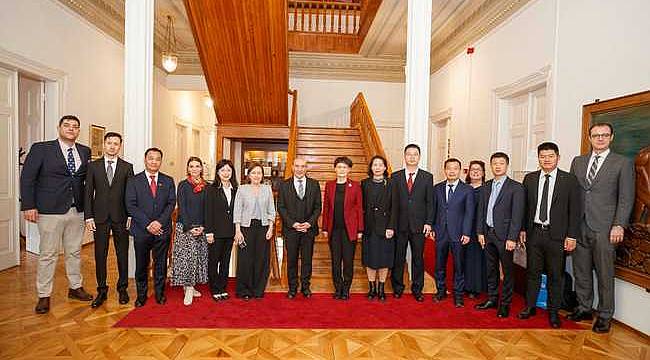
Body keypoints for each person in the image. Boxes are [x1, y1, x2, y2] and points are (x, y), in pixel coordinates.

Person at [20, 114, 94, 314]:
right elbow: (28, 178)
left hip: (76, 211)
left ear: (79, 131)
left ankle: (75, 287)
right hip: (50, 211)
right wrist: (29, 205)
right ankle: (44, 295)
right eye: (67, 125)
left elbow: (87, 182)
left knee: (74, 252)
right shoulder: (41, 149)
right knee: (48, 254)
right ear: (59, 127)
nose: (71, 129)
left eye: (75, 126)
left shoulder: (85, 151)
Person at [568, 123, 635, 333]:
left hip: (606, 228)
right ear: (589, 138)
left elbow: (626, 198)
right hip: (580, 225)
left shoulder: (622, 163)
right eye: (596, 135)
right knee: (581, 271)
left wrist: (619, 225)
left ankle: (605, 315)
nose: (600, 139)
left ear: (611, 137)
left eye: (604, 135)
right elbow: (572, 195)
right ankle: (584, 307)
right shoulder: (578, 162)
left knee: (605, 273)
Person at [518, 142, 581, 328]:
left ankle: (553, 312)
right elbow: (525, 208)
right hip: (534, 233)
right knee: (533, 273)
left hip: (557, 236)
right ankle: (530, 307)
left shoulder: (569, 180)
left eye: (550, 156)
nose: (546, 159)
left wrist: (572, 235)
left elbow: (575, 211)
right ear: (538, 158)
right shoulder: (529, 179)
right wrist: (522, 229)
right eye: (543, 156)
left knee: (556, 275)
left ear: (558, 157)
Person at [84, 132, 134, 308]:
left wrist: (130, 215)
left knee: (122, 254)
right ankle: (102, 290)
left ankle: (122, 289)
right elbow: (88, 193)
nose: (112, 146)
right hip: (100, 218)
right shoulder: (93, 166)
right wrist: (88, 216)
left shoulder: (127, 167)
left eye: (116, 144)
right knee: (100, 254)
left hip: (121, 217)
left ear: (120, 146)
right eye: (109, 143)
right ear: (104, 145)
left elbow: (130, 195)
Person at [475, 152, 525, 318]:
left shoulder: (516, 188)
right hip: (488, 234)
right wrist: (480, 232)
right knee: (491, 269)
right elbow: (481, 211)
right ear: (491, 166)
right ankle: (492, 298)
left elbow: (517, 215)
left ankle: (505, 304)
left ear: (507, 166)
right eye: (495, 163)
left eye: (501, 163)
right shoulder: (486, 187)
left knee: (508, 271)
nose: (497, 166)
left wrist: (512, 237)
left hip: (505, 237)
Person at [125, 148, 176, 307]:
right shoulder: (134, 180)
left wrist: (159, 222)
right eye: (151, 158)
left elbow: (170, 203)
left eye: (157, 159)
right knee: (142, 264)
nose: (154, 161)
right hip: (141, 230)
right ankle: (141, 295)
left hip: (162, 230)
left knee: (160, 263)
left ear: (161, 161)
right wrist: (148, 223)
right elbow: (130, 205)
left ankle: (160, 293)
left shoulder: (168, 180)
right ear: (145, 160)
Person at [391, 144, 434, 302]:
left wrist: (429, 222)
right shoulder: (395, 177)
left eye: (415, 154)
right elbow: (393, 203)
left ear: (419, 157)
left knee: (418, 258)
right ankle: (397, 287)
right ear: (404, 156)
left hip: (419, 226)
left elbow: (430, 202)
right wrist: (392, 225)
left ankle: (417, 289)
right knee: (398, 258)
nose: (412, 157)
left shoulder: (427, 177)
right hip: (400, 225)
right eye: (409, 154)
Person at [432, 158, 475, 308]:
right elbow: (433, 210)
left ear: (460, 170)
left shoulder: (467, 190)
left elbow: (469, 213)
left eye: (455, 168)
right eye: (449, 168)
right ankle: (440, 290)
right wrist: (432, 227)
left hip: (459, 233)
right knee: (439, 264)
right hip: (441, 232)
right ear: (444, 170)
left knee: (459, 265)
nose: (452, 171)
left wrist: (467, 232)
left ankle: (458, 294)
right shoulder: (437, 188)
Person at [277, 158, 322, 299]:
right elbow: (281, 207)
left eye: (303, 166)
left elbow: (318, 207)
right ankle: (292, 288)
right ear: (292, 167)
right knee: (291, 260)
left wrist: (309, 223)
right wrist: (293, 224)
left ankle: (305, 287)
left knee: (307, 260)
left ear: (306, 168)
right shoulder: (284, 185)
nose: (300, 169)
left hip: (309, 230)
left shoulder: (314, 185)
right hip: (291, 230)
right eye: (297, 166)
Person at [233, 163, 276, 300]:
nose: (257, 175)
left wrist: (270, 228)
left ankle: (258, 289)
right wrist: (238, 230)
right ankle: (244, 290)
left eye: (259, 173)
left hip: (263, 227)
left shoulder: (267, 189)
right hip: (246, 227)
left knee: (261, 259)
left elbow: (271, 210)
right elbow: (237, 211)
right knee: (245, 259)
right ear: (249, 175)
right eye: (254, 173)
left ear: (262, 175)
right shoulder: (242, 188)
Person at [322, 156, 363, 300]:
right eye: (339, 167)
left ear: (349, 170)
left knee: (348, 261)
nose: (341, 170)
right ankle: (337, 288)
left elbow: (359, 209)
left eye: (345, 167)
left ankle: (346, 289)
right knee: (335, 260)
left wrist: (360, 230)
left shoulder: (356, 186)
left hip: (349, 231)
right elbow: (326, 207)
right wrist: (325, 228)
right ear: (335, 169)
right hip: (334, 230)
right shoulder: (330, 185)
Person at [171, 157, 209, 306]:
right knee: (187, 259)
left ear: (201, 169)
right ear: (188, 169)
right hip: (186, 227)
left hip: (202, 228)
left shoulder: (207, 186)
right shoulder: (183, 185)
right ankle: (188, 288)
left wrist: (203, 226)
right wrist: (190, 227)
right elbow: (182, 208)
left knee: (198, 258)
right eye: (191, 166)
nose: (194, 169)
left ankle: (191, 286)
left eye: (197, 166)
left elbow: (208, 208)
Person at [361, 155, 396, 302]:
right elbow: (359, 207)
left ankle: (381, 288)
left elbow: (395, 207)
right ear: (371, 168)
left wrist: (391, 226)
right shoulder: (364, 183)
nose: (377, 167)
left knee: (384, 259)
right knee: (370, 259)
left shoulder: (391, 184)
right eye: (374, 165)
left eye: (380, 165)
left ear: (385, 167)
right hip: (369, 228)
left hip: (385, 228)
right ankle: (372, 288)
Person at [205, 159, 238, 301]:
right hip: (215, 232)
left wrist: (237, 231)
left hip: (230, 232)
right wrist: (209, 232)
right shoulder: (211, 189)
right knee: (213, 261)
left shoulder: (236, 189)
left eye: (229, 170)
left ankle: (222, 287)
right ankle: (214, 289)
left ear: (232, 172)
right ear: (218, 172)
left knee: (225, 262)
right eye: (223, 170)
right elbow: (208, 212)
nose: (226, 173)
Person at [463, 160, 488, 298]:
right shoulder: (463, 188)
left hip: (480, 230)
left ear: (483, 173)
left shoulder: (487, 189)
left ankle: (476, 287)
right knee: (464, 258)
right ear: (468, 172)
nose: (475, 172)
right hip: (464, 229)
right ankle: (464, 285)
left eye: (479, 169)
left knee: (478, 259)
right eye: (473, 169)